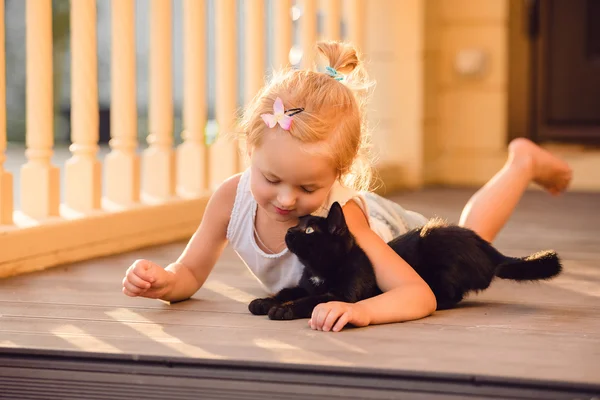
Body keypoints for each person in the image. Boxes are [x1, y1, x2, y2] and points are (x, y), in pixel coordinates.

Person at [122, 41, 572, 332]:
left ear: (338, 176)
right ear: (249, 153)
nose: (285, 199)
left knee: (472, 239)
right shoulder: (230, 198)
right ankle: (522, 162)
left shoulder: (348, 216)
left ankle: (521, 161)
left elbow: (417, 294)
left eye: (308, 187)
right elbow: (191, 273)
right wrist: (163, 281)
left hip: (402, 239)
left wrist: (363, 311)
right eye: (270, 178)